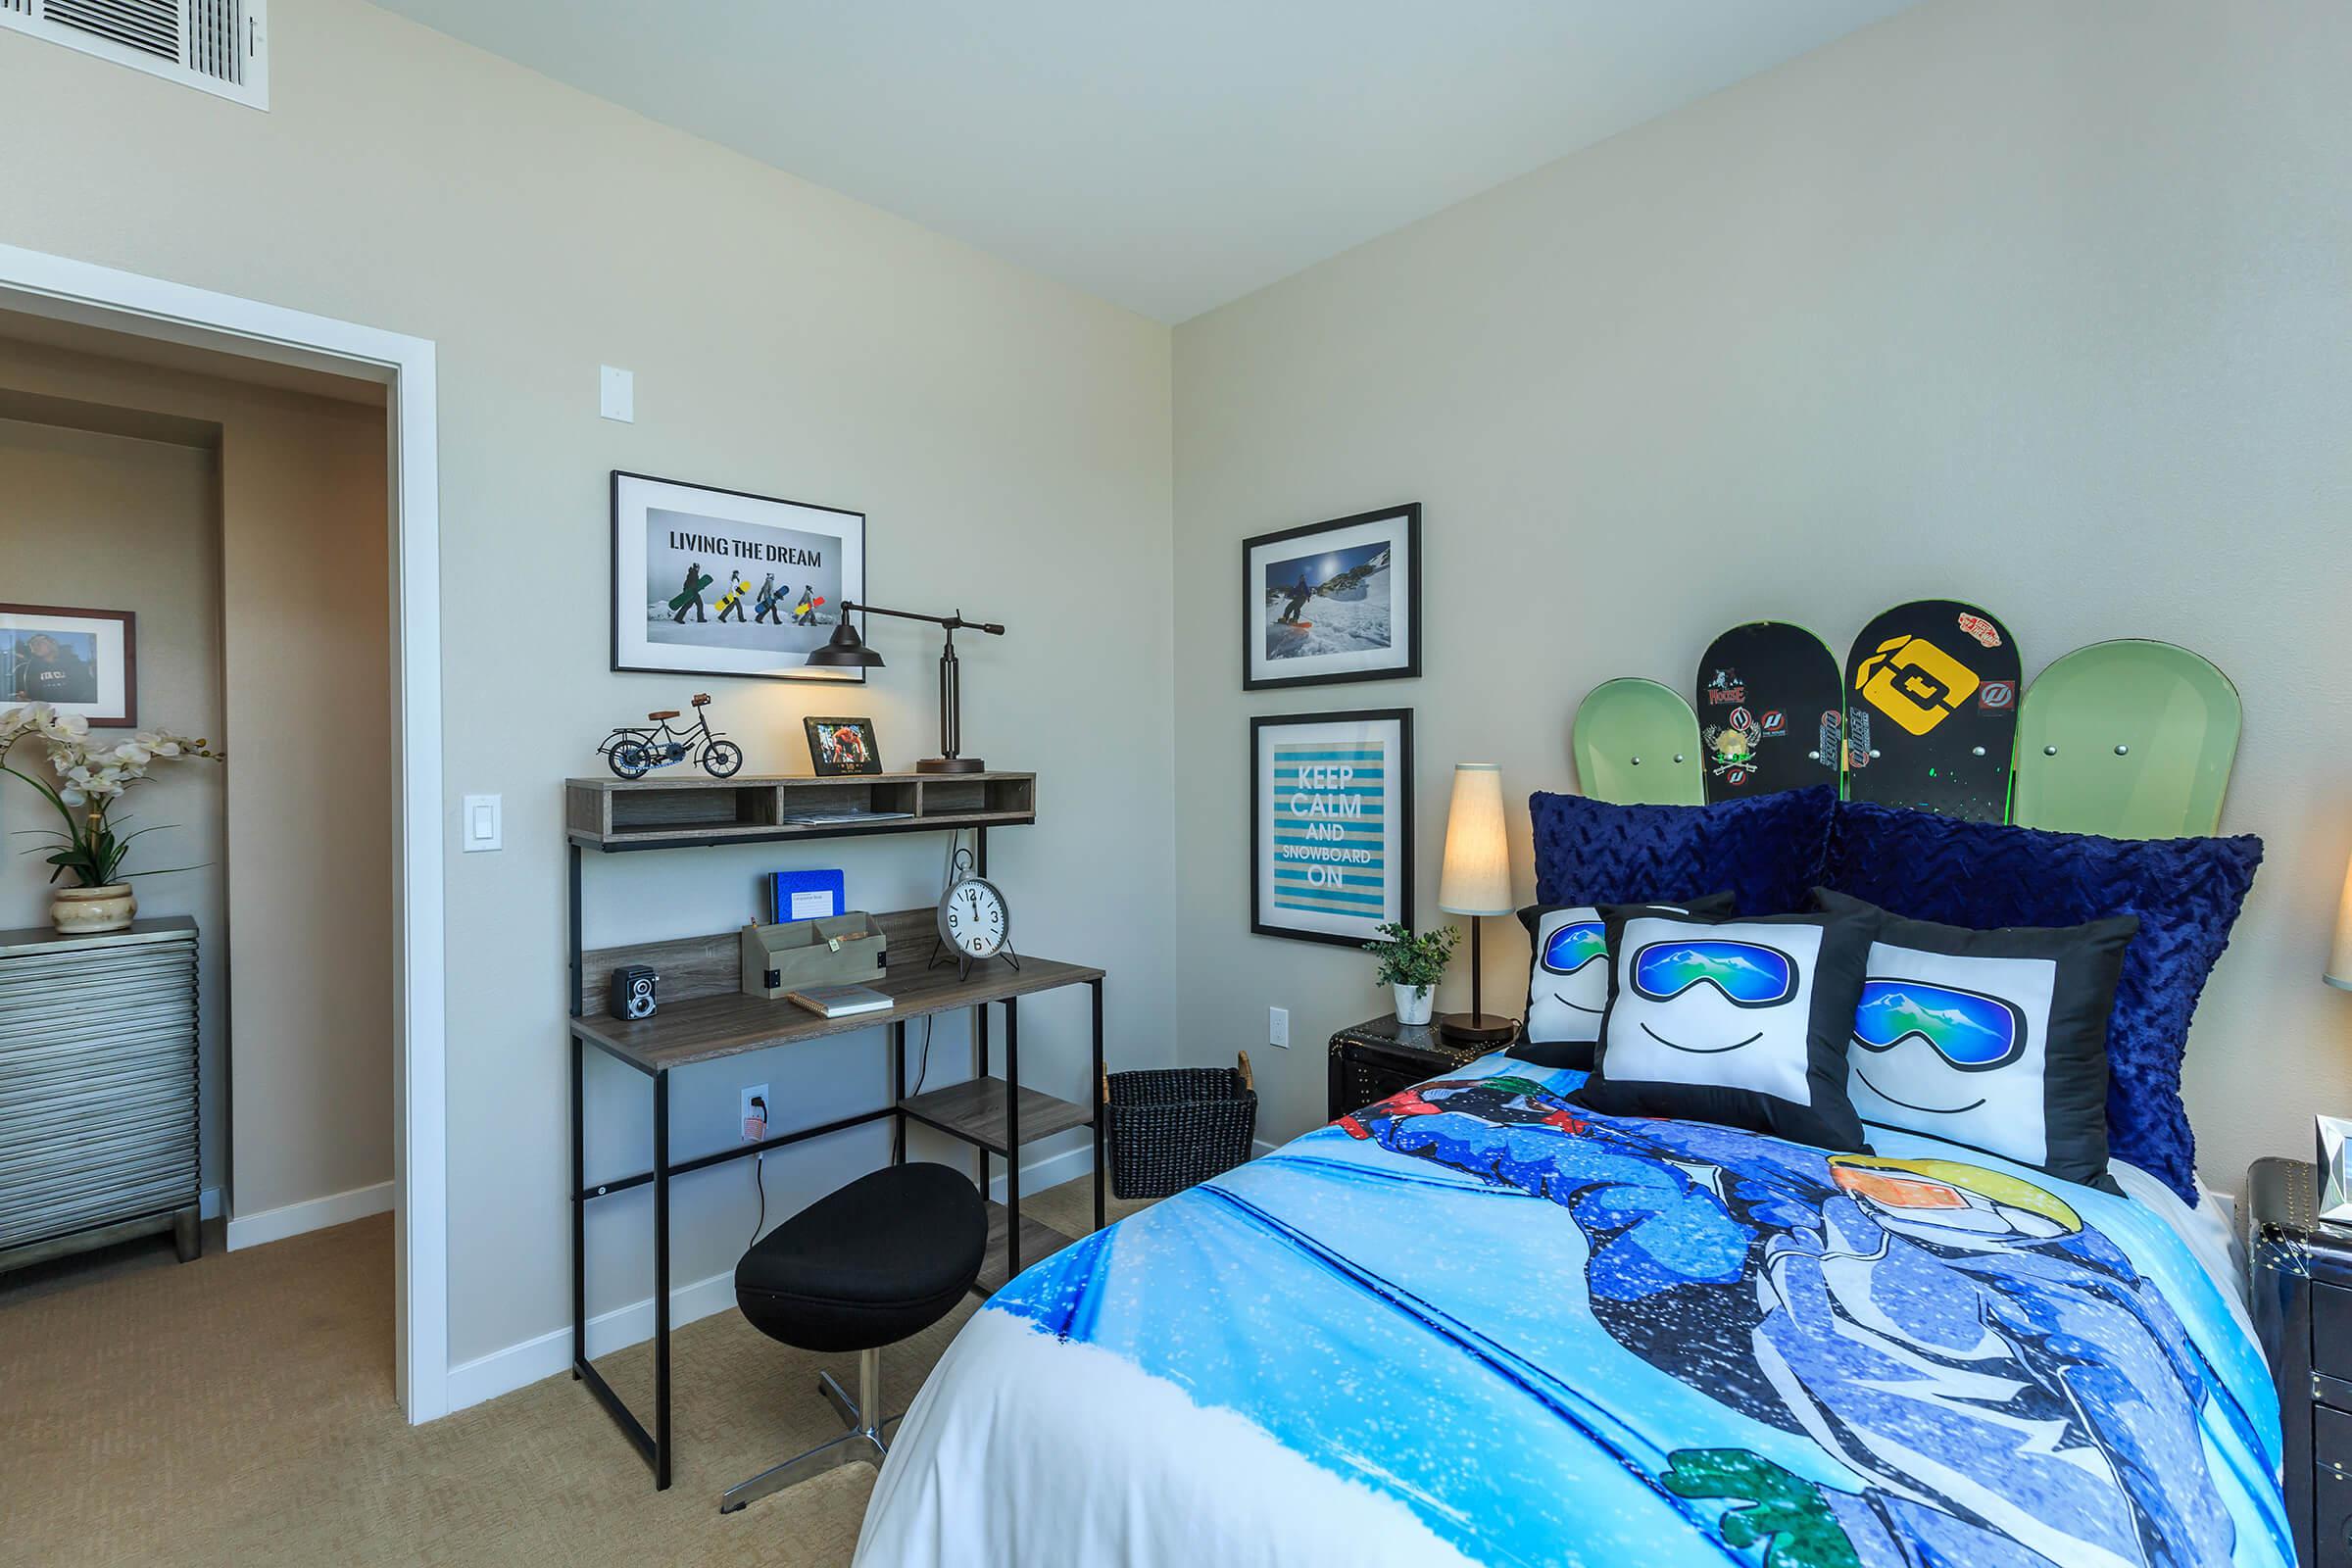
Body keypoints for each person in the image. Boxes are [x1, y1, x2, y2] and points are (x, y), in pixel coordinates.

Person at [1339, 1076, 2253, 1568]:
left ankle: (1438, 1130)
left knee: (1640, 1198)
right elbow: (1730, 1144)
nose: (1854, 1184)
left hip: (1742, 1337)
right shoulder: (1854, 1198)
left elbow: (2154, 1475)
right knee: (1640, 1179)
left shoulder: (2082, 1307)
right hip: (1758, 1308)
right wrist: (1561, 1109)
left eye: (1886, 1183)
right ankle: (1426, 1124)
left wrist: (1828, 1520)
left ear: (1970, 1208)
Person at [10, 632, 97, 705]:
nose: (35, 646)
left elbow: (88, 690)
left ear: (53, 643)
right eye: (31, 645)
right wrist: (22, 700)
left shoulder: (77, 665)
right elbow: (19, 693)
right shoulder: (24, 670)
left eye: (39, 642)